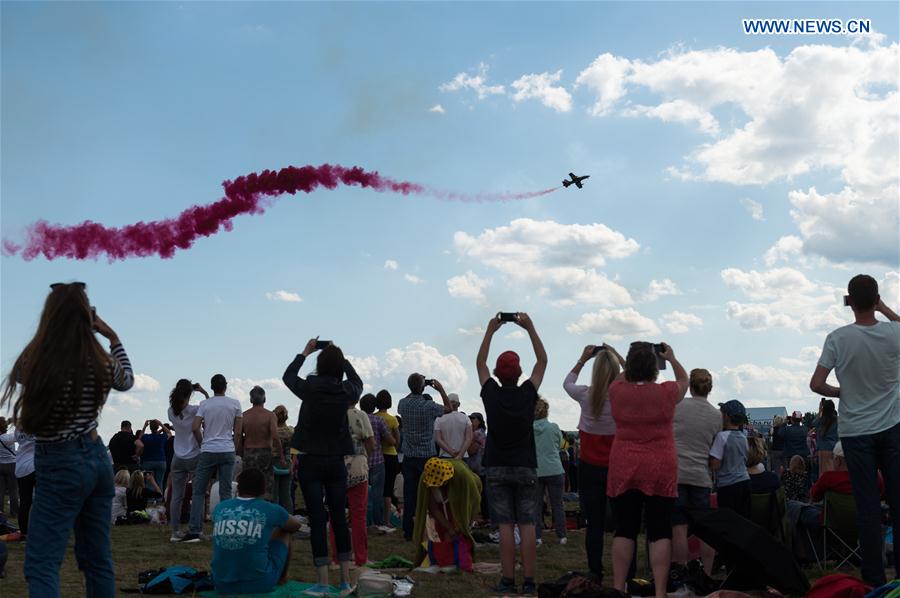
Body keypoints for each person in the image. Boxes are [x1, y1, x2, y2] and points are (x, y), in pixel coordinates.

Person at [0, 282, 134, 596]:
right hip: (95, 456)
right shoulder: (99, 361)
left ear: (50, 317)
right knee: (97, 559)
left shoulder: (39, 362)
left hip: (60, 461)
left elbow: (19, 372)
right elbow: (126, 380)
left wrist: (48, 331)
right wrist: (112, 337)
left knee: (43, 561)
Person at [809, 274, 900, 586]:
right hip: (892, 427)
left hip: (856, 432)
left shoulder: (838, 338)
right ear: (876, 298)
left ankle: (874, 580)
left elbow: (816, 384)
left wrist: (840, 392)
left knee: (867, 507)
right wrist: (884, 309)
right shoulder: (893, 333)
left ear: (849, 301)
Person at [607, 341, 688, 598]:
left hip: (624, 464)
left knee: (625, 529)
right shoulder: (666, 392)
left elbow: (620, 377)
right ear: (655, 367)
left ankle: (618, 588)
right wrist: (672, 358)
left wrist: (630, 363)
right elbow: (684, 380)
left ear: (629, 366)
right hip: (660, 466)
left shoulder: (617, 390)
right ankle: (660, 591)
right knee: (660, 530)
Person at [475, 312, 547, 595]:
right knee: (527, 524)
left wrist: (490, 331)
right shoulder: (528, 392)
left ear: (496, 372)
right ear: (519, 373)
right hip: (525, 465)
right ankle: (529, 581)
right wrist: (530, 327)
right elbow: (542, 361)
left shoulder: (490, 393)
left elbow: (479, 363)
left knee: (505, 526)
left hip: (497, 465)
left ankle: (507, 580)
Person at [282, 339, 361, 593]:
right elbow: (358, 382)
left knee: (317, 520)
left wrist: (305, 352)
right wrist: (342, 358)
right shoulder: (345, 391)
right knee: (339, 520)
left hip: (311, 460)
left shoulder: (310, 388)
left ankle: (323, 582)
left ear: (319, 364)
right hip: (336, 460)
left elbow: (288, 376)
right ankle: (345, 580)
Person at [563, 343, 621, 580]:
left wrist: (582, 358)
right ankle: (625, 572)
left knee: (594, 524)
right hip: (617, 467)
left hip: (589, 467)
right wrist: (618, 357)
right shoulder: (623, 395)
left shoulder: (585, 395)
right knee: (623, 525)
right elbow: (637, 381)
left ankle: (595, 571)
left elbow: (567, 382)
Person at [211, 468, 303, 595]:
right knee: (284, 530)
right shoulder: (272, 509)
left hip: (221, 583)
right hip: (259, 583)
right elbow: (296, 525)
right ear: (264, 489)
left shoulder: (220, 507)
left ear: (238, 487)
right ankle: (281, 579)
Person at [181, 374, 243, 543]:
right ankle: (225, 529)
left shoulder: (205, 404)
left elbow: (195, 427)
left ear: (212, 387)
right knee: (225, 491)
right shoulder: (235, 404)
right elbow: (238, 432)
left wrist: (202, 444)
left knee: (199, 491)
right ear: (226, 386)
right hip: (227, 449)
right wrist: (233, 447)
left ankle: (195, 529)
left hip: (208, 449)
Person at [671, 368, 720, 579]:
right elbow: (715, 451)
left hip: (677, 474)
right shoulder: (716, 416)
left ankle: (681, 573)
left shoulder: (677, 407)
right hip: (701, 476)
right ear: (709, 388)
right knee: (704, 529)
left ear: (690, 386)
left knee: (679, 528)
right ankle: (706, 574)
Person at [397, 374, 452, 540]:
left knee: (410, 495)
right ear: (422, 388)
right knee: (432, 495)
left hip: (409, 456)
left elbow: (409, 397)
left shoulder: (403, 403)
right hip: (427, 457)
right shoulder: (429, 406)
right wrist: (440, 389)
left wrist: (416, 387)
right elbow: (449, 408)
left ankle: (409, 530)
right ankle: (433, 527)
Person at [412, 457, 482, 572]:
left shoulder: (463, 478)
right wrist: (449, 528)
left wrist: (466, 524)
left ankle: (460, 557)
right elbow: (434, 508)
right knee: (444, 529)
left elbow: (472, 504)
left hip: (466, 494)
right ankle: (447, 557)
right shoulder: (426, 478)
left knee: (459, 529)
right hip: (443, 501)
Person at [167, 379, 207, 541]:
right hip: (194, 455)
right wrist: (203, 391)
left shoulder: (170, 411)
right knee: (198, 494)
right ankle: (196, 529)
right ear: (189, 394)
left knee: (177, 496)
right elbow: (209, 405)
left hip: (177, 456)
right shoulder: (194, 410)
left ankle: (175, 531)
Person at [532, 397, 566, 546]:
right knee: (557, 504)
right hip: (555, 469)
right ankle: (562, 535)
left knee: (536, 505)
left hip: (536, 470)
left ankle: (537, 536)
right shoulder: (554, 427)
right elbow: (559, 445)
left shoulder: (528, 429)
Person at [709, 400, 751, 518]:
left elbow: (715, 464)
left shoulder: (721, 437)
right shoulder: (743, 437)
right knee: (742, 519)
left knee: (728, 520)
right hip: (745, 481)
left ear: (726, 416)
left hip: (727, 485)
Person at [241, 386, 283, 502]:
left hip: (248, 453)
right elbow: (275, 436)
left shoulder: (244, 415)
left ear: (251, 399)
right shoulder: (270, 415)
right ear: (264, 399)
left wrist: (239, 452)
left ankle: (249, 507)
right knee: (266, 485)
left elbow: (239, 436)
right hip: (265, 453)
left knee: (249, 484)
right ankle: (264, 506)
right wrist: (281, 456)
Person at [360, 393, 393, 527]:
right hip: (377, 460)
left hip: (361, 461)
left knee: (361, 493)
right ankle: (377, 521)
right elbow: (390, 439)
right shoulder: (379, 421)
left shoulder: (358, 419)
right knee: (377, 493)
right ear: (374, 407)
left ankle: (364, 520)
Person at [375, 390, 401, 527]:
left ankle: (376, 517)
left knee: (376, 488)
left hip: (376, 455)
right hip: (390, 455)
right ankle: (386, 520)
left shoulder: (373, 417)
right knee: (388, 490)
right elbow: (397, 440)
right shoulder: (392, 419)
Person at [434, 393, 473, 460]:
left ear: (446, 403)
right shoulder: (466, 418)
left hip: (445, 455)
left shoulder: (439, 418)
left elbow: (438, 439)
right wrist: (460, 455)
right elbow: (469, 438)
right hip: (463, 456)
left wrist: (451, 452)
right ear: (459, 404)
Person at [271, 405, 294, 513]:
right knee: (286, 494)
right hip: (288, 463)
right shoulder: (291, 431)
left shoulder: (272, 432)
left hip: (274, 463)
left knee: (274, 494)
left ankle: (275, 517)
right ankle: (289, 516)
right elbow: (294, 449)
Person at [14, 428, 35, 538]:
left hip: (21, 468)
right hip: (35, 466)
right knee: (42, 500)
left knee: (24, 502)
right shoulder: (36, 425)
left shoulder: (18, 429)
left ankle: (24, 532)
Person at [138, 419, 170, 492]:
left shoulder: (146, 437)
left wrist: (144, 426)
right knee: (159, 482)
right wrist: (161, 424)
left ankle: (150, 498)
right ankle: (159, 497)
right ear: (157, 427)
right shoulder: (162, 437)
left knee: (149, 482)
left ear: (150, 428)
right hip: (161, 461)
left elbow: (139, 438)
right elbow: (169, 433)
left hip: (148, 461)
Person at [812, 399, 839, 475]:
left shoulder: (820, 421)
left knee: (822, 473)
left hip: (822, 448)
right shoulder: (837, 420)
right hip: (834, 448)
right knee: (832, 471)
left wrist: (820, 410)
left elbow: (813, 423)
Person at [0, 417, 18, 519]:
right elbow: (19, 436)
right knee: (13, 490)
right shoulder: (8, 437)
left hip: (0, 465)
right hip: (12, 465)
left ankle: (0, 511)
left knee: (0, 490)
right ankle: (14, 512)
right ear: (5, 426)